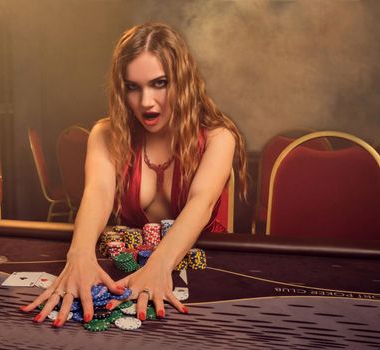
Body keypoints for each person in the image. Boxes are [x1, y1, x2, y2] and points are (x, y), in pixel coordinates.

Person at [20, 22, 247, 327]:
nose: (146, 102)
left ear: (183, 81)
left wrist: (160, 264)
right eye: (133, 87)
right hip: (127, 272)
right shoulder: (105, 134)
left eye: (160, 83)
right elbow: (97, 194)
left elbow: (201, 203)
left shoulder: (219, 137)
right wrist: (80, 255)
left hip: (206, 277)